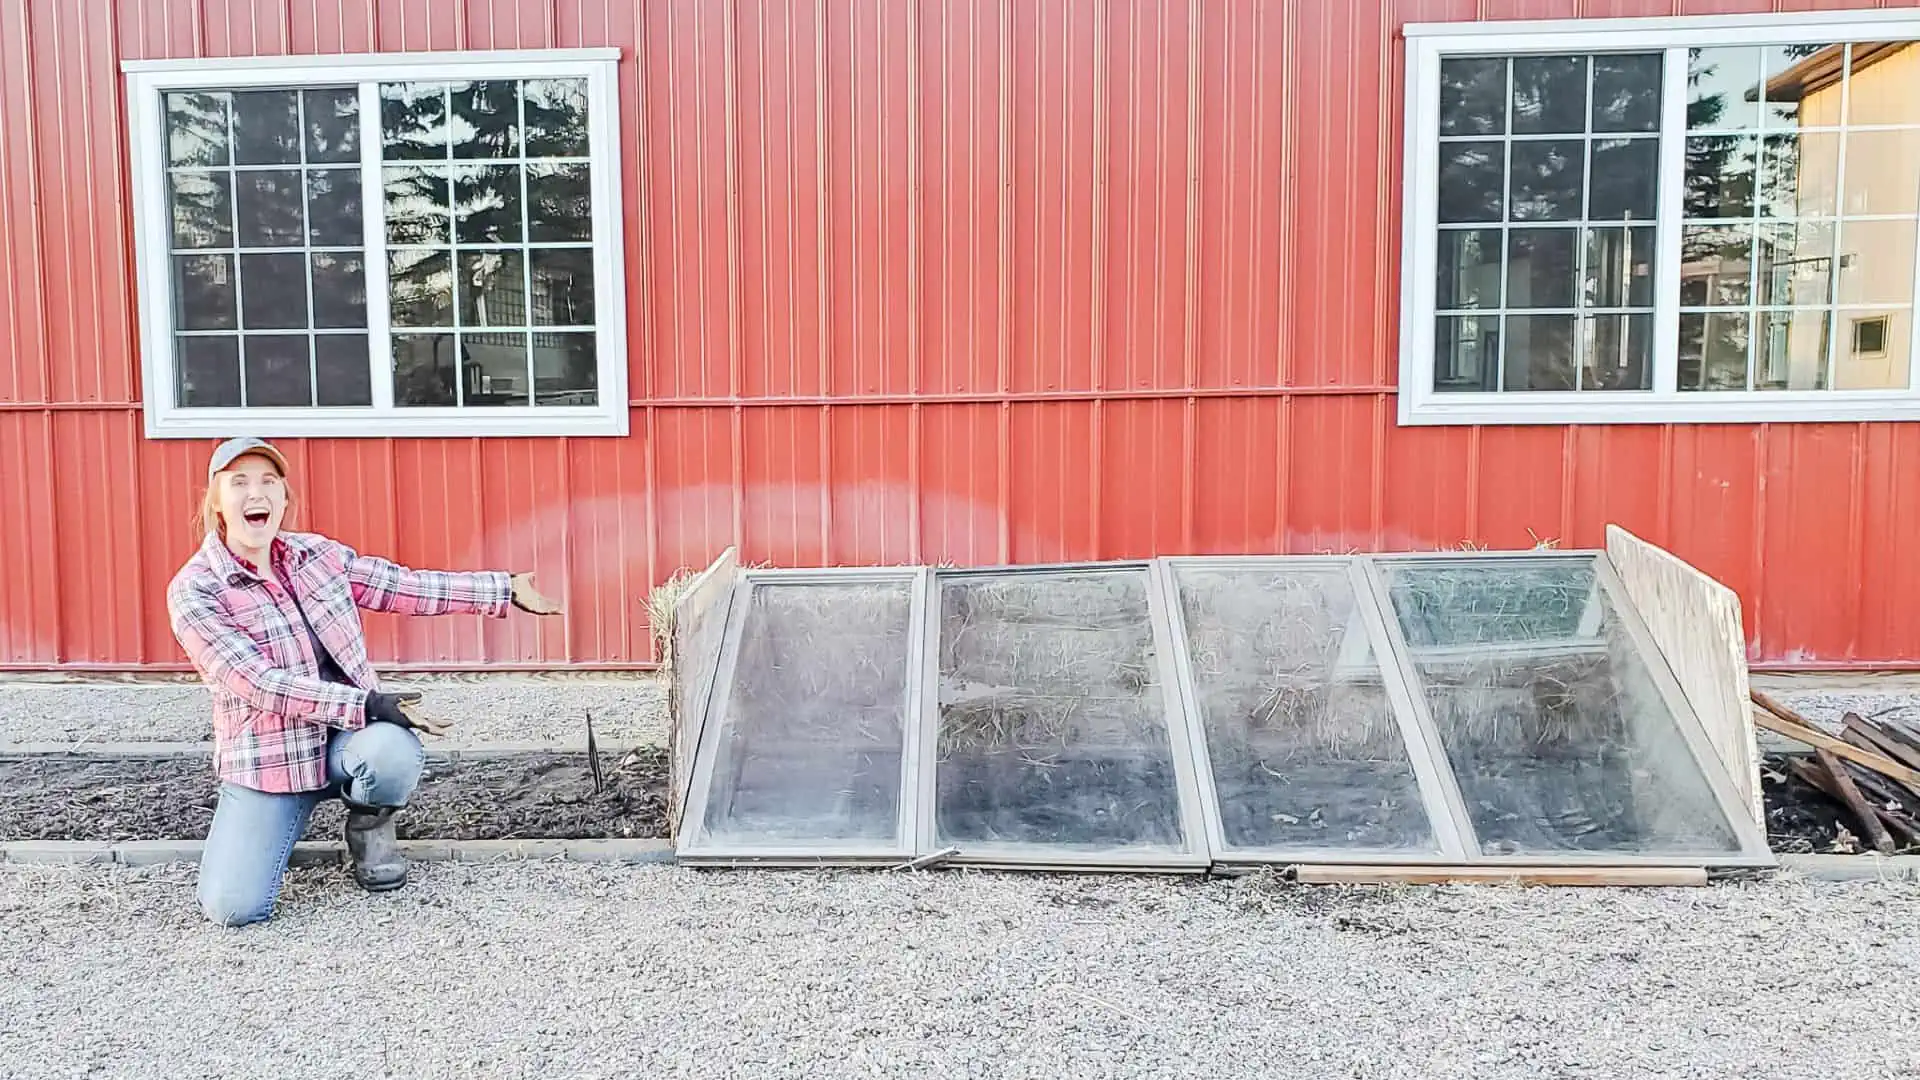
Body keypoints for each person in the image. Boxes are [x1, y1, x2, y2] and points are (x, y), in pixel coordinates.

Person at [167, 437, 562, 927]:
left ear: (285, 499)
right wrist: (370, 704)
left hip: (346, 746)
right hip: (271, 764)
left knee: (391, 749)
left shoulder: (316, 557)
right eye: (239, 483)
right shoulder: (196, 589)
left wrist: (503, 589)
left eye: (269, 482)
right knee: (234, 908)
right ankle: (275, 825)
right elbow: (261, 684)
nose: (257, 494)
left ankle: (369, 825)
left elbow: (402, 585)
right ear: (216, 501)